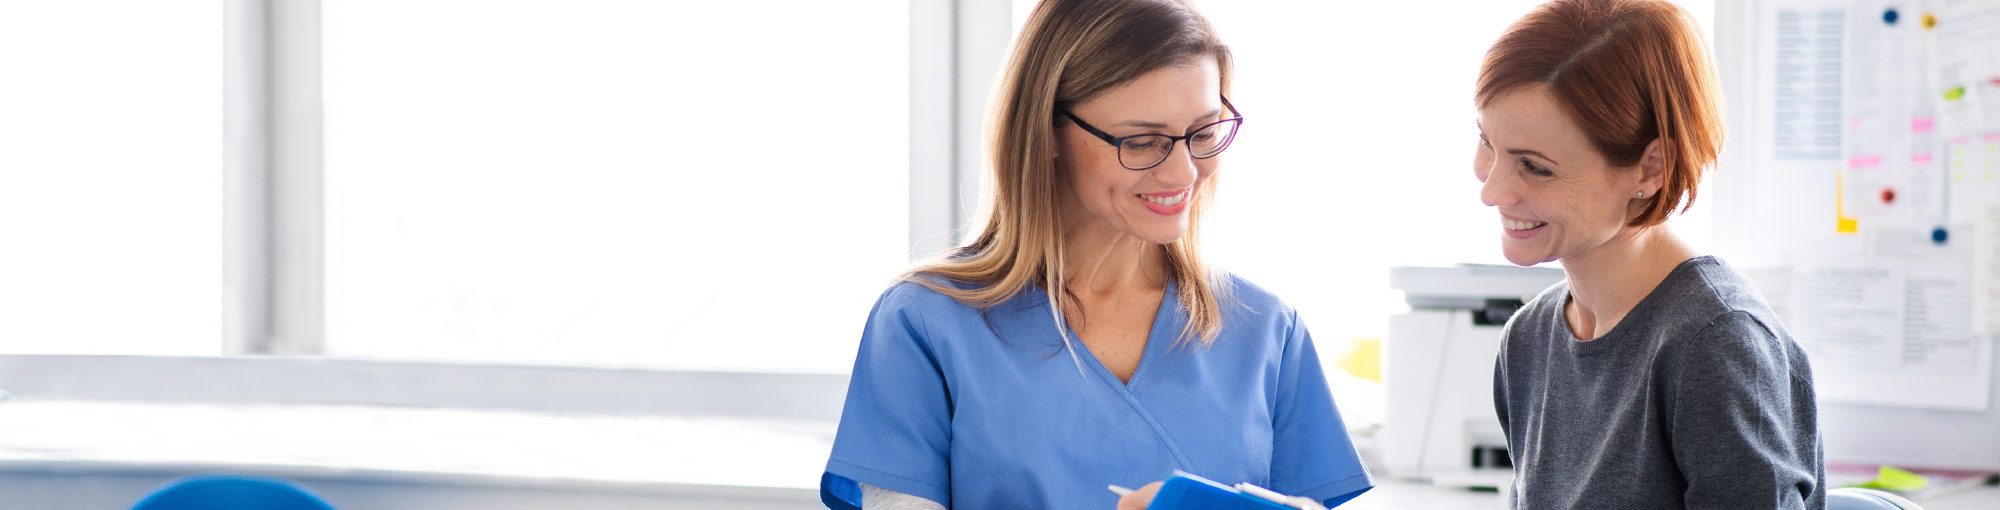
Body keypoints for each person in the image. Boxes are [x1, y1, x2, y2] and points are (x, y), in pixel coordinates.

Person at [818, 0, 1372, 509]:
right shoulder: (926, 323)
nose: (1183, 172)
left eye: (1203, 133)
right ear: (1047, 130)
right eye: (1141, 141)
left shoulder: (1266, 330)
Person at [1472, 0, 1824, 508]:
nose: (1492, 190)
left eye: (1535, 167)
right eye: (1487, 143)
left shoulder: (1714, 342)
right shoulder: (1529, 338)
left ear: (1650, 168)